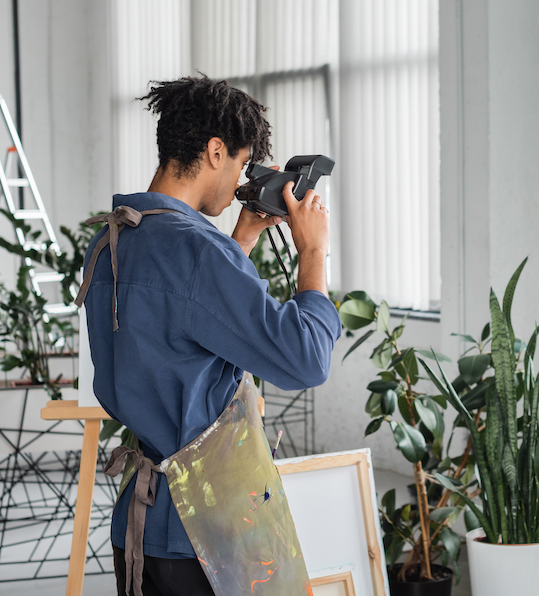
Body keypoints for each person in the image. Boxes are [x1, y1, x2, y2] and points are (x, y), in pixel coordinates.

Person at [78, 76, 342, 596]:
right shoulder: (200, 254)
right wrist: (313, 252)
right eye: (243, 164)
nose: (242, 180)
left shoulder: (110, 240)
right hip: (212, 537)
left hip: (140, 530)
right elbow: (306, 360)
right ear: (215, 151)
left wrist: (240, 240)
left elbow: (180, 327)